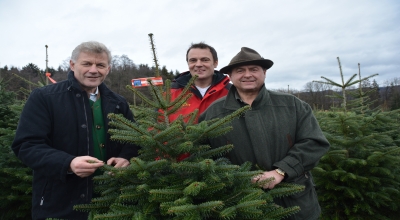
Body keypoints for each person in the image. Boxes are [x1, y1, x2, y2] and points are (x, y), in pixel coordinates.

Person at [12, 41, 140, 220]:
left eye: (100, 65)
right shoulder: (44, 98)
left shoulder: (118, 102)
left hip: (112, 200)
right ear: (72, 65)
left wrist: (125, 157)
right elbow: (27, 145)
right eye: (87, 63)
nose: (94, 70)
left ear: (108, 69)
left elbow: (134, 140)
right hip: (59, 203)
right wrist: (68, 163)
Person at [199, 47, 330, 220]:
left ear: (264, 73)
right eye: (240, 71)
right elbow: (201, 156)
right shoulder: (213, 113)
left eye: (254, 69)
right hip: (239, 205)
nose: (247, 75)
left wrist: (281, 171)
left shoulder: (292, 105)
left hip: (293, 203)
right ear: (230, 76)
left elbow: (314, 142)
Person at [168, 42, 231, 122]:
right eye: (193, 60)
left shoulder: (231, 92)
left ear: (215, 63)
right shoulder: (170, 93)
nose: (198, 64)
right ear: (188, 63)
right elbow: (156, 125)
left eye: (205, 60)